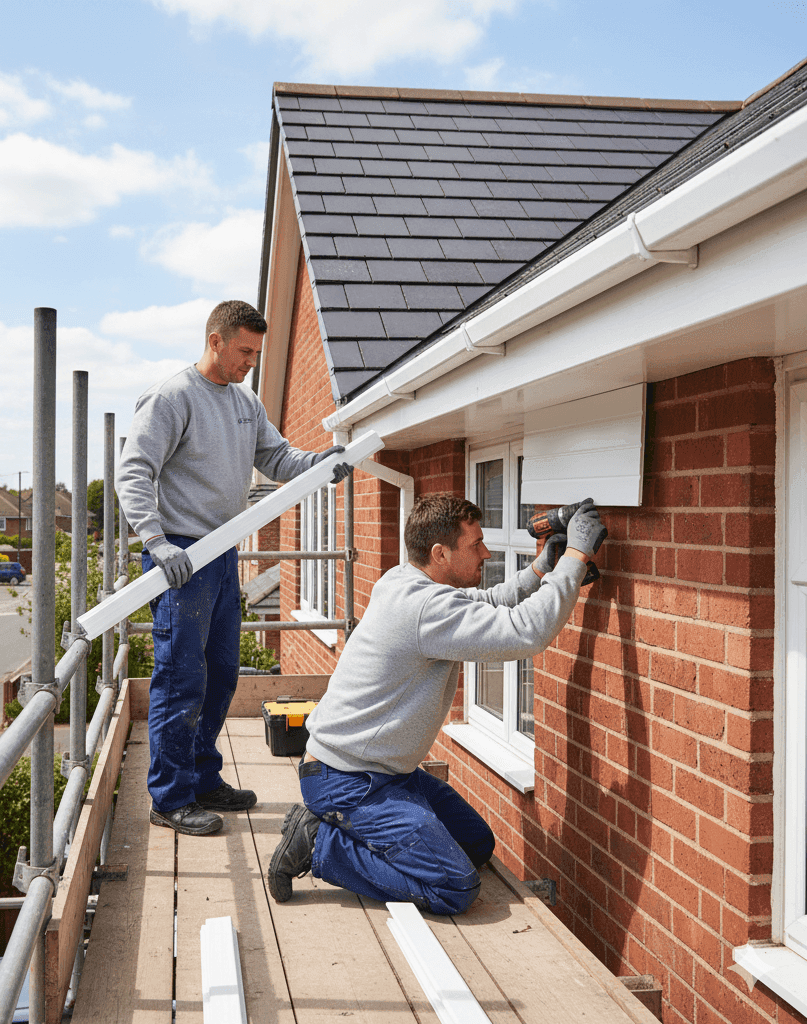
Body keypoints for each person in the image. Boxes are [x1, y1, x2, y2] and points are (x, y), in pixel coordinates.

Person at [267, 492, 606, 914]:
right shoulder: (425, 608)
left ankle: (357, 833)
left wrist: (539, 571)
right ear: (440, 553)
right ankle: (320, 842)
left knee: (476, 845)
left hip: (385, 772)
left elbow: (484, 604)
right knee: (455, 888)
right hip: (347, 780)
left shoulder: (404, 580)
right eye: (475, 544)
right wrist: (576, 556)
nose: (486, 553)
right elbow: (526, 631)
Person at [116, 299, 352, 837]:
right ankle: (170, 797)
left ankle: (202, 779)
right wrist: (154, 540)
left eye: (256, 353)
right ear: (215, 340)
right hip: (180, 554)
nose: (250, 361)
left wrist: (320, 465)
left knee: (221, 674)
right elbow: (134, 470)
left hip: (222, 553)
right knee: (181, 678)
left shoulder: (245, 403)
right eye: (244, 351)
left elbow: (278, 458)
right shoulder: (172, 397)